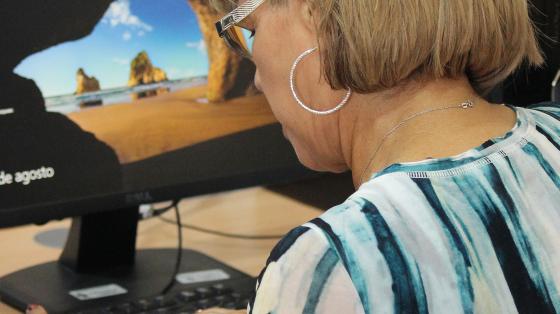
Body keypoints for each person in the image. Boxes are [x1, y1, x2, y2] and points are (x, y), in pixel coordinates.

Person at [27, 0, 560, 313]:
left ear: (324, 22)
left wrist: (294, 292)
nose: (255, 76)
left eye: (249, 29)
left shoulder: (340, 260)